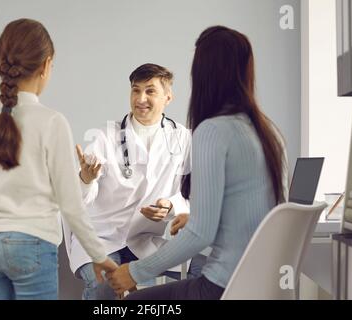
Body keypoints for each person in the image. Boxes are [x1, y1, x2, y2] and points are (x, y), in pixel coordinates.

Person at [0, 18, 117, 300]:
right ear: (46, 65)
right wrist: (98, 255)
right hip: (33, 245)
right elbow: (71, 205)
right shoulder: (52, 123)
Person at [106, 26, 288, 300]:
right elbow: (254, 219)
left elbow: (199, 236)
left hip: (221, 287)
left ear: (204, 73)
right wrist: (196, 218)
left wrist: (135, 272)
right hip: (260, 285)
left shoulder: (212, 132)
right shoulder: (267, 132)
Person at [65, 63, 203, 300]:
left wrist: (171, 207)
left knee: (206, 273)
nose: (141, 98)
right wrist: (85, 179)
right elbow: (79, 200)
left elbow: (194, 194)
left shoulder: (182, 138)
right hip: (102, 238)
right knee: (104, 288)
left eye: (150, 91)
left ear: (168, 97)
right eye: (135, 90)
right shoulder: (106, 137)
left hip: (146, 241)